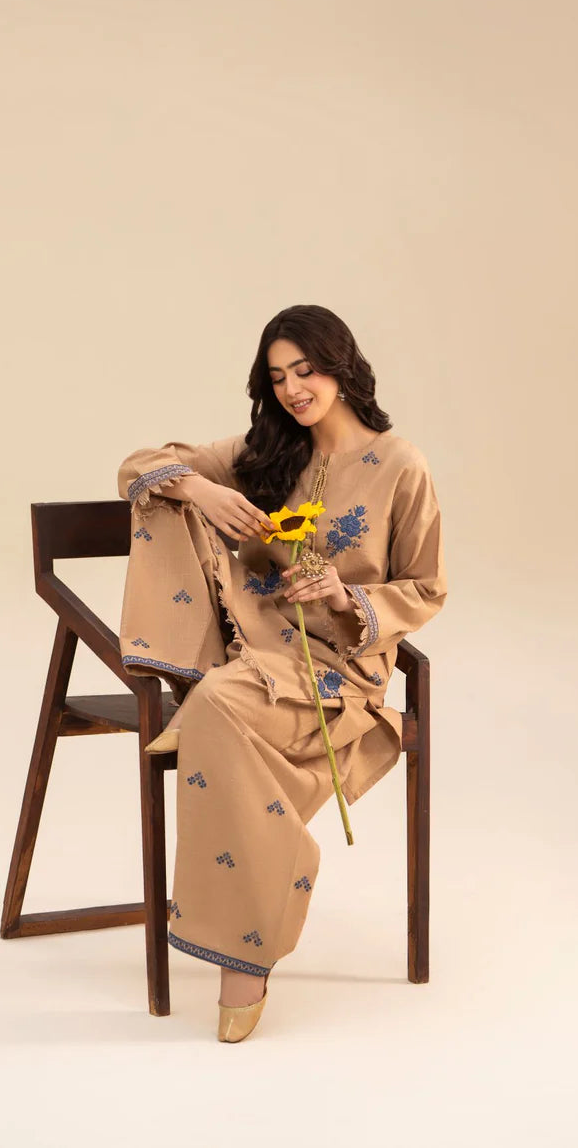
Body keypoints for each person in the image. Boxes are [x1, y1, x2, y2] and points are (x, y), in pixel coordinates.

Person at [116, 304, 447, 1041]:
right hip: (252, 651)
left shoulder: (402, 465)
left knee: (212, 709)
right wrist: (202, 490)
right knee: (162, 496)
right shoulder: (265, 451)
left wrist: (344, 594)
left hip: (339, 669)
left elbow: (427, 587)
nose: (294, 389)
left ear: (342, 367)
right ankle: (259, 917)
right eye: (277, 377)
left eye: (306, 370)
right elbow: (136, 464)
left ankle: (246, 953)